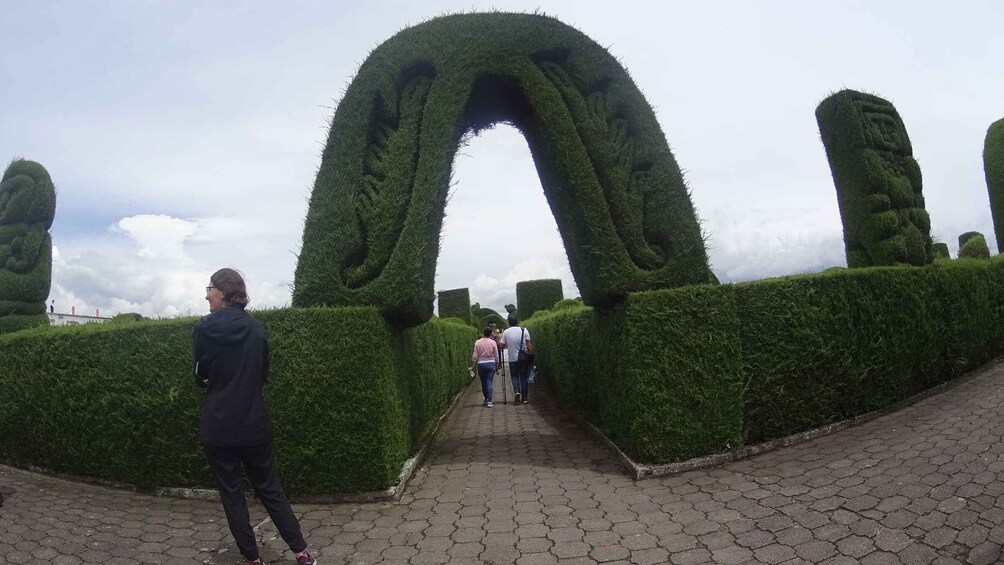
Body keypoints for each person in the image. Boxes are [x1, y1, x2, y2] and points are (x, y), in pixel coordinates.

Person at [192, 268, 317, 565]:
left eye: (209, 289)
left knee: (232, 494)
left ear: (222, 292)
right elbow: (262, 374)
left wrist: (212, 380)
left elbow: (199, 374)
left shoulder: (203, 328)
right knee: (270, 488)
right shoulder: (258, 329)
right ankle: (302, 553)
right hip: (254, 424)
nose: (206, 295)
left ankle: (253, 560)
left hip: (219, 427)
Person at [501, 314, 532, 404]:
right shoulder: (524, 330)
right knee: (523, 377)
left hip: (512, 359)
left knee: (514, 376)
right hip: (523, 358)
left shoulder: (506, 332)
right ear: (517, 321)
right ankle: (525, 397)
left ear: (509, 322)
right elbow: (529, 345)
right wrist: (530, 353)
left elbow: (502, 345)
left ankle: (517, 391)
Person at [470, 327, 500, 407]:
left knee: (483, 382)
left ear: (483, 333)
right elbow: (496, 356)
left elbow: (475, 356)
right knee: (489, 381)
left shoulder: (477, 342)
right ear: (490, 334)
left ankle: (486, 398)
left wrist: (472, 366)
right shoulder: (493, 342)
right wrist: (497, 366)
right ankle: (489, 401)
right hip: (491, 363)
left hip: (481, 364)